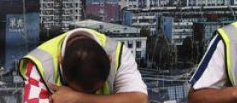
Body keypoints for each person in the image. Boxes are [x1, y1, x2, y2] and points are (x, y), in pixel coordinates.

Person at [18, 27, 148, 103]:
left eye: (95, 91)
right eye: (74, 89)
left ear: (109, 60)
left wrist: (79, 98)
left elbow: (140, 99)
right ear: (60, 62)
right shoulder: (41, 64)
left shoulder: (118, 54)